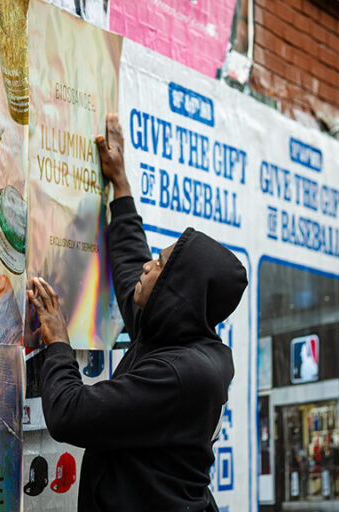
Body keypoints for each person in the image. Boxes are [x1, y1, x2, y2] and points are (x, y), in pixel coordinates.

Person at [27, 113, 248, 511]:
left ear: (180, 290)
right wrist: (121, 186)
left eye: (161, 265)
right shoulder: (176, 331)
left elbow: (69, 414)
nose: (149, 266)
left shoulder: (181, 375)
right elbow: (132, 265)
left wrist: (59, 343)